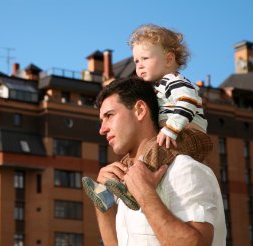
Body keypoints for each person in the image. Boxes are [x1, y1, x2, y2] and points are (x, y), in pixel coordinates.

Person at [82, 24, 213, 211]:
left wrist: (171, 128)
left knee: (154, 150)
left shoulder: (175, 81)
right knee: (127, 162)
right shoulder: (159, 88)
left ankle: (133, 190)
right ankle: (107, 193)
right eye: (136, 61)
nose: (139, 65)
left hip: (189, 134)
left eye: (145, 58)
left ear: (168, 59)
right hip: (175, 133)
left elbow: (187, 101)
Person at [93, 77, 226, 245]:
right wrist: (103, 200)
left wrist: (145, 194)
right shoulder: (128, 183)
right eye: (101, 121)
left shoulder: (184, 169)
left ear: (140, 110)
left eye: (109, 116)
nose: (102, 130)